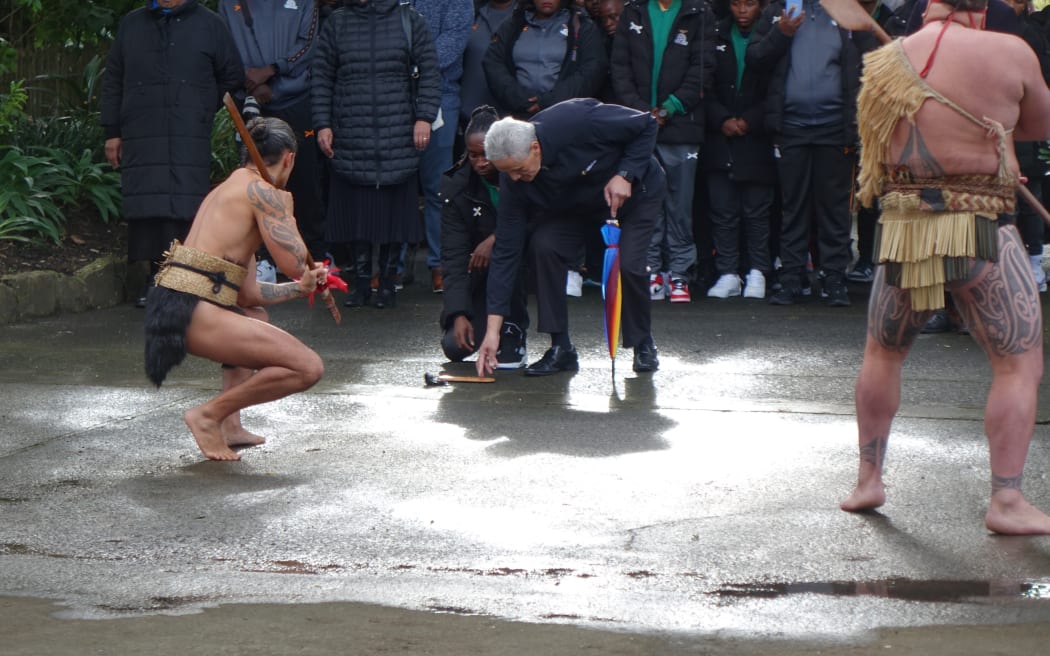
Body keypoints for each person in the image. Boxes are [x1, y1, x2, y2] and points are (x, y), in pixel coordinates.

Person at [841, 0, 1050, 534]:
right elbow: (1038, 125)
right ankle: (1005, 501)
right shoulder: (1009, 50)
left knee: (883, 352)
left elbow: (876, 140)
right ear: (978, 9)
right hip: (980, 225)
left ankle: (868, 479)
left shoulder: (888, 60)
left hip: (904, 229)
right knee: (1017, 365)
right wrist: (994, 134)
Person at [144, 117, 326, 462]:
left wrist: (300, 289)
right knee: (308, 368)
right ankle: (208, 415)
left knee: (254, 314)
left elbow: (248, 295)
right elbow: (295, 262)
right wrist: (288, 214)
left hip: (173, 305)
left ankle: (230, 425)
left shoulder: (227, 189)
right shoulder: (263, 194)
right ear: (288, 158)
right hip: (192, 307)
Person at [475, 98, 665, 377]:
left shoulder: (576, 120)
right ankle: (561, 347)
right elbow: (506, 251)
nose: (514, 178)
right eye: (507, 173)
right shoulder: (511, 178)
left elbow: (646, 124)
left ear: (535, 148)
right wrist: (493, 333)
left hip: (631, 194)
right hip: (574, 206)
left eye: (518, 169)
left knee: (629, 264)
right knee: (544, 246)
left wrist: (626, 174)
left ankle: (642, 343)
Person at [101, 0, 243, 308]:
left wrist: (203, 105)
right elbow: (113, 78)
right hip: (141, 130)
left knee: (186, 204)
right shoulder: (132, 24)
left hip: (188, 129)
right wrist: (112, 130)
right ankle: (155, 281)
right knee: (149, 207)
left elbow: (232, 75)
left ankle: (185, 281)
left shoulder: (209, 24)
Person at [745, 0, 879, 307]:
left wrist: (857, 26)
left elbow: (874, 57)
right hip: (790, 127)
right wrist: (781, 32)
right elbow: (754, 58)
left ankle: (834, 279)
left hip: (835, 128)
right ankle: (792, 278)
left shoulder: (846, 10)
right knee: (793, 207)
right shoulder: (779, 10)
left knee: (834, 209)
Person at [311, 0, 441, 309]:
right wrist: (323, 124)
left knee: (393, 213)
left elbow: (431, 72)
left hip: (397, 129)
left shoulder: (410, 20)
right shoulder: (337, 23)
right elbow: (321, 78)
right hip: (350, 131)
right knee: (356, 212)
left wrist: (424, 116)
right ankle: (360, 284)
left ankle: (386, 283)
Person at [610, 0, 716, 304]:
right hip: (640, 126)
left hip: (681, 125)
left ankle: (680, 271)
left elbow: (703, 71)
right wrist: (643, 112)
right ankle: (652, 269)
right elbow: (620, 69)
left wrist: (668, 109)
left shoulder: (700, 12)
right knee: (646, 203)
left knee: (679, 206)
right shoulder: (634, 11)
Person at [218, 0, 329, 265]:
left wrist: (272, 71)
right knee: (256, 181)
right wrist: (251, 84)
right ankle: (264, 260)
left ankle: (314, 255)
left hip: (296, 99)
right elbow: (225, 47)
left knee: (305, 179)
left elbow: (309, 44)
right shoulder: (228, 3)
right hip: (252, 100)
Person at [440, 106, 530, 368]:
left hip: (522, 264)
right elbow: (453, 255)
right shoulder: (457, 188)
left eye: (486, 155)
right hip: (484, 276)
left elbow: (535, 219)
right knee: (454, 347)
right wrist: (457, 312)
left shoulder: (519, 169)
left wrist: (495, 239)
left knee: (510, 251)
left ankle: (514, 327)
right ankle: (489, 325)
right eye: (473, 155)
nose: (480, 162)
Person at [702, 0, 776, 299]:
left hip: (756, 135)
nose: (742, 11)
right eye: (736, 4)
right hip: (721, 135)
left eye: (750, 4)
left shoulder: (772, 36)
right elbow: (703, 83)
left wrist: (750, 120)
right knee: (723, 209)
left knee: (757, 210)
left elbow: (776, 87)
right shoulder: (716, 34)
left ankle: (758, 270)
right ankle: (728, 272)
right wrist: (721, 119)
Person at [414, 0, 475, 294]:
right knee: (395, 183)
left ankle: (440, 264)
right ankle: (393, 267)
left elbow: (452, 45)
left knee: (437, 187)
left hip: (441, 96)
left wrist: (409, 63)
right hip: (393, 94)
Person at [482, 0, 609, 120]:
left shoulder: (581, 25)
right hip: (517, 118)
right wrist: (519, 98)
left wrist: (550, 100)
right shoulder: (513, 24)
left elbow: (593, 69)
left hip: (567, 117)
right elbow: (493, 62)